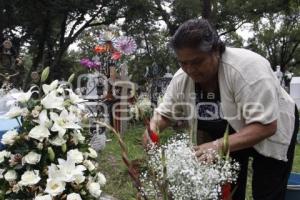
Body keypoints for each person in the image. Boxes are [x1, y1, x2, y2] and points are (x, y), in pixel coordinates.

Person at [144, 18, 299, 200]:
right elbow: (163, 114)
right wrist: (152, 132)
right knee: (226, 188)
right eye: (183, 63)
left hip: (271, 124)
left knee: (267, 189)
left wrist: (216, 145)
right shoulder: (182, 79)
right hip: (228, 130)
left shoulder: (247, 71)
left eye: (197, 61)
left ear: (216, 51)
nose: (190, 69)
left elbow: (266, 126)